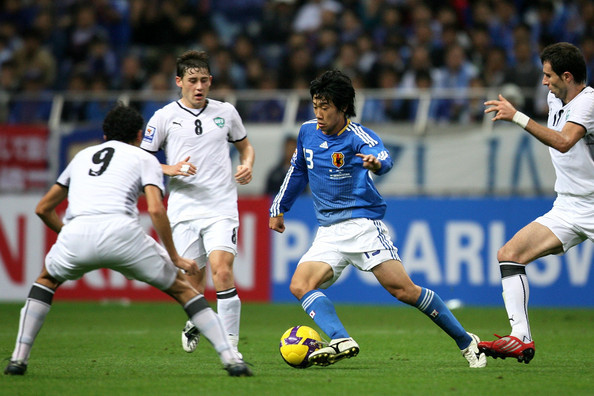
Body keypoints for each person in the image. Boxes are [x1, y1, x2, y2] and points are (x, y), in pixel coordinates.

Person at [3, 104, 252, 377]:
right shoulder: (143, 158)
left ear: (104, 134)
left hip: (77, 231)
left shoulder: (82, 156)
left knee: (46, 281)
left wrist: (69, 237)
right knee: (184, 290)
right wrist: (175, 257)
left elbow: (42, 208)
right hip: (122, 232)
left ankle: (18, 359)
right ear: (139, 134)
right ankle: (231, 359)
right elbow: (156, 210)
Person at [268, 69, 487, 368]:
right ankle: (341, 338)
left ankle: (466, 341)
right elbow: (298, 172)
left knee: (404, 291)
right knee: (300, 285)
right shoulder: (307, 132)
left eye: (325, 107)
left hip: (362, 226)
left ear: (343, 106)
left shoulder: (357, 135)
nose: (319, 113)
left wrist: (377, 163)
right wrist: (279, 208)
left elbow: (383, 155)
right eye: (316, 105)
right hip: (328, 230)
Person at [478, 42, 594, 364]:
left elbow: (564, 142)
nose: (544, 82)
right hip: (568, 205)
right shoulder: (554, 99)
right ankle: (520, 338)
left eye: (549, 75)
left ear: (567, 76)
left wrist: (517, 117)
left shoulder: (588, 102)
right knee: (509, 254)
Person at [140, 50, 255, 358]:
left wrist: (246, 164)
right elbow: (141, 161)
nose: (199, 86)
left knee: (223, 271)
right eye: (192, 80)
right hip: (183, 209)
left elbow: (245, 147)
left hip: (221, 206)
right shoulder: (164, 117)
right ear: (179, 82)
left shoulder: (226, 112)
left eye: (204, 80)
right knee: (193, 283)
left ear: (211, 81)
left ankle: (230, 346)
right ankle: (197, 320)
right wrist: (170, 169)